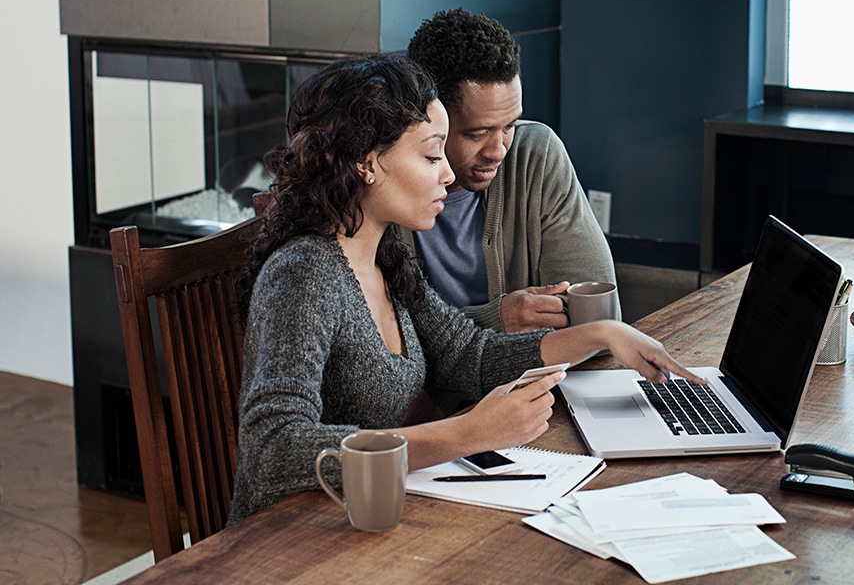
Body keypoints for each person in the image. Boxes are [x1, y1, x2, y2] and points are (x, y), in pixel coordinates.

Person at [227, 54, 699, 524]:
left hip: (369, 519)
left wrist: (604, 334)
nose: (448, 175)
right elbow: (273, 449)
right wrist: (466, 433)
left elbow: (469, 355)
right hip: (290, 541)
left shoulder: (384, 254)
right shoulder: (305, 274)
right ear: (367, 163)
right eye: (432, 155)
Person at [403, 7, 616, 336]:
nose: (498, 150)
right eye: (477, 134)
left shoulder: (535, 154)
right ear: (428, 115)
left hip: (533, 381)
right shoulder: (381, 181)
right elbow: (377, 352)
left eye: (509, 125)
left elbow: (595, 314)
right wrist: (493, 319)